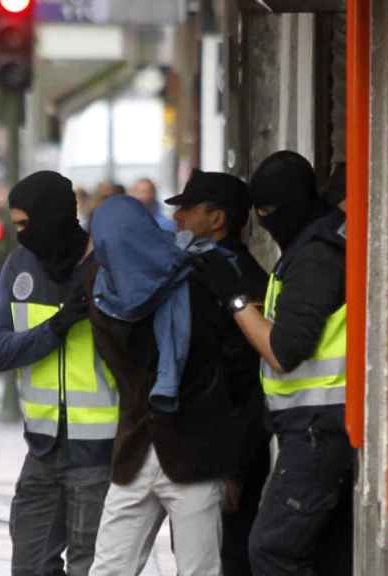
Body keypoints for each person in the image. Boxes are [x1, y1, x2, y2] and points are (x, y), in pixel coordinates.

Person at [193, 151, 351, 576]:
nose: (262, 221)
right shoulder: (313, 242)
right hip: (314, 426)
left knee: (271, 551)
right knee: (326, 555)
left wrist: (236, 297)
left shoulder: (317, 254)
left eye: (267, 212)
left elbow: (283, 351)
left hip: (319, 430)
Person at [86, 195, 240, 576]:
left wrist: (233, 464)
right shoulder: (102, 290)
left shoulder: (197, 279)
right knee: (108, 568)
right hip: (136, 452)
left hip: (195, 454)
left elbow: (231, 371)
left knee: (199, 570)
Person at [0, 171, 118, 576]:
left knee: (88, 567)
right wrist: (56, 327)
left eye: (25, 224)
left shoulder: (108, 264)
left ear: (52, 217)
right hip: (41, 449)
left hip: (99, 452)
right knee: (31, 565)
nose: (21, 235)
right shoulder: (19, 266)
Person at [165, 170, 270, 576]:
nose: (178, 220)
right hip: (199, 446)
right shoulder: (202, 271)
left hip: (224, 452)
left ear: (217, 218)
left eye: (188, 210)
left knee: (223, 557)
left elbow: (245, 381)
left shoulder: (233, 279)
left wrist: (234, 469)